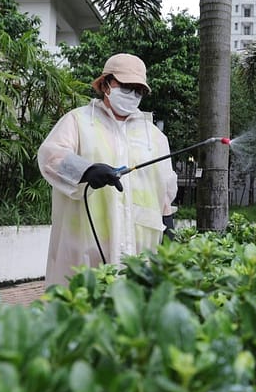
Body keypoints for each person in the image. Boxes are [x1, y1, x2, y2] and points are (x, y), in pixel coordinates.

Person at [37, 53, 178, 286]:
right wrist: (86, 170)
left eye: (138, 90)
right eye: (126, 86)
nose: (132, 94)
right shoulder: (78, 121)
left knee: (130, 313)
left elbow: (165, 189)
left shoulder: (155, 137)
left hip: (140, 248)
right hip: (84, 244)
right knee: (83, 307)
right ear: (105, 85)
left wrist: (169, 229)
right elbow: (51, 156)